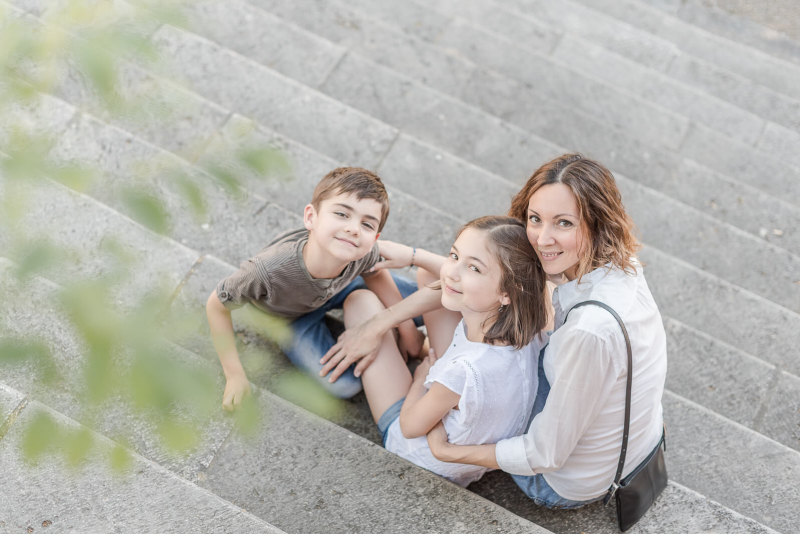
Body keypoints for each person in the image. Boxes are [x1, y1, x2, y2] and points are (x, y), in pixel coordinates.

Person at [321, 154, 667, 508]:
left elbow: (545, 454)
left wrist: (451, 451)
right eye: (535, 219)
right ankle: (405, 329)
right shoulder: (622, 268)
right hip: (624, 436)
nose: (542, 239)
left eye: (564, 223)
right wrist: (416, 258)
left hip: (558, 481)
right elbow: (488, 283)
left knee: (361, 303)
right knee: (441, 282)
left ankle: (397, 330)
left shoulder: (589, 332)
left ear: (599, 224)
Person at [341, 216, 548, 486]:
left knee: (360, 302)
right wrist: (415, 257)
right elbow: (446, 275)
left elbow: (410, 427)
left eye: (474, 268)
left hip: (421, 456)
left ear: (507, 292)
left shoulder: (462, 373)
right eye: (454, 255)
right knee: (429, 276)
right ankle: (414, 340)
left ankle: (411, 342)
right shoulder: (532, 327)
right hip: (476, 451)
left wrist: (419, 379)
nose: (452, 271)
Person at [206, 167, 425, 410]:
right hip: (288, 319)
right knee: (344, 385)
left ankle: (371, 311)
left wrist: (409, 333)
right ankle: (373, 320)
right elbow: (216, 306)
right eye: (342, 214)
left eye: (367, 224)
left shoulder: (359, 249)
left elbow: (375, 272)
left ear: (375, 238)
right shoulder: (267, 271)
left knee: (426, 302)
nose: (354, 229)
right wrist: (234, 375)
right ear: (311, 217)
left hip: (343, 286)